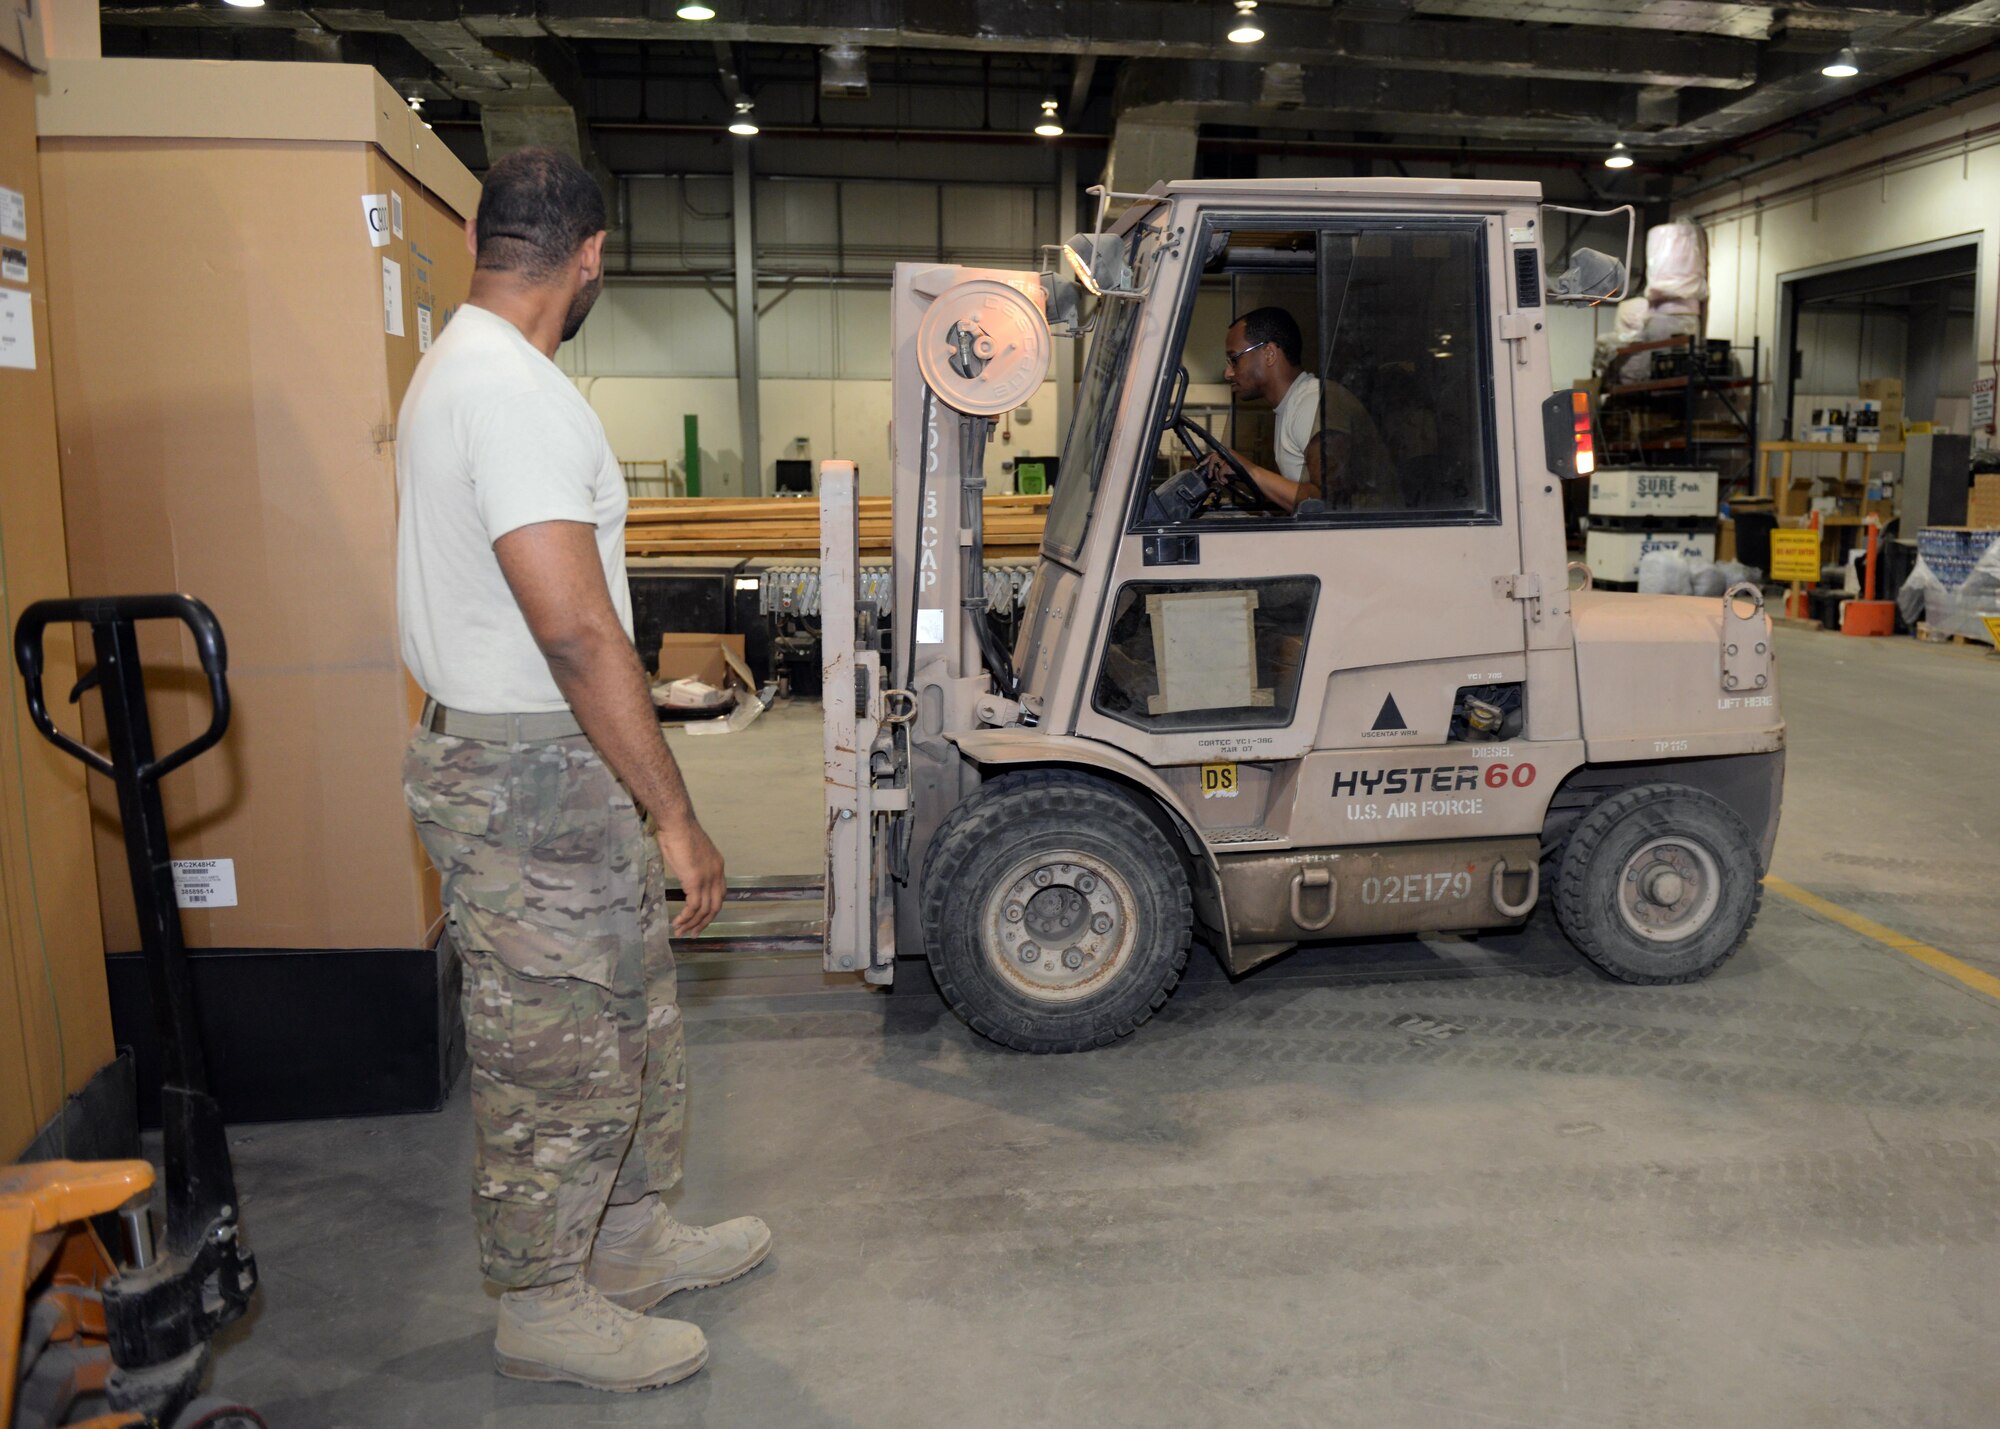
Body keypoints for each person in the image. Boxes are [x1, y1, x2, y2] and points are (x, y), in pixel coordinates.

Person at [396, 146, 768, 1394]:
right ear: (592, 255)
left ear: (475, 238)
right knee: (553, 1048)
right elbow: (572, 627)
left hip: (551, 765)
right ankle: (542, 1300)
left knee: (627, 1018)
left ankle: (628, 1244)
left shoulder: (474, 369)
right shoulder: (510, 391)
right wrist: (676, 813)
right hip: (529, 778)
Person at [1204, 306, 1393, 513]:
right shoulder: (1292, 405)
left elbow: (1327, 503)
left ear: (1269, 353)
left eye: (1235, 359)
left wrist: (1251, 471)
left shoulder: (1313, 402)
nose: (1228, 372)